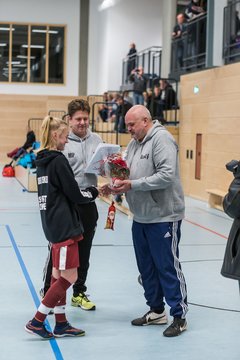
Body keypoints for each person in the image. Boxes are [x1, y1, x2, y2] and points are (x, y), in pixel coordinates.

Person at [102, 105, 188, 337]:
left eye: (131, 124)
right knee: (146, 268)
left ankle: (179, 316)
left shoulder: (162, 139)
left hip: (163, 216)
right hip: (140, 216)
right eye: (127, 124)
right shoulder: (132, 144)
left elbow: (167, 175)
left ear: (146, 121)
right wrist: (116, 185)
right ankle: (156, 310)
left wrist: (133, 185)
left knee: (167, 266)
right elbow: (126, 174)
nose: (128, 129)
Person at [25, 116, 99, 339]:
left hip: (51, 224)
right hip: (65, 226)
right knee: (70, 277)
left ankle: (61, 323)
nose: (67, 141)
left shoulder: (42, 161)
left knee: (58, 276)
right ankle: (37, 320)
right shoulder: (58, 160)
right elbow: (75, 193)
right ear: (56, 135)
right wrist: (94, 193)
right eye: (66, 136)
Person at [41, 99, 102, 311]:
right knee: (58, 253)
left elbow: (104, 170)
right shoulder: (61, 143)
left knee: (84, 251)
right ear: (69, 119)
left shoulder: (97, 140)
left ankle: (79, 292)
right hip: (67, 206)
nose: (83, 122)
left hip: (88, 203)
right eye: (79, 119)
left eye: (86, 118)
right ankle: (48, 291)